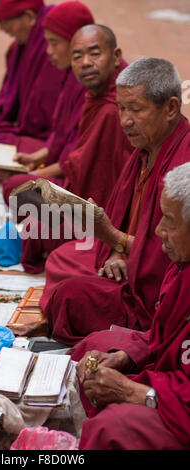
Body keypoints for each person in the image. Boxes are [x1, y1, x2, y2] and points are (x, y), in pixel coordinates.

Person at [36, 57, 190, 346]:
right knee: (62, 258)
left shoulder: (184, 164)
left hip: (154, 293)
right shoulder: (146, 148)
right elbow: (125, 214)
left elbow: (173, 256)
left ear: (170, 108)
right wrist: (115, 253)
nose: (125, 121)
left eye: (135, 109)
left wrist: (114, 238)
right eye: (121, 108)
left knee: (69, 296)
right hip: (128, 260)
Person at [71, 163, 190, 450]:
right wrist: (127, 355)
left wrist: (136, 392)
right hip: (172, 381)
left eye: (170, 221)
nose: (159, 230)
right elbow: (164, 334)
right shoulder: (182, 267)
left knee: (112, 428)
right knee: (96, 348)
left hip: (181, 409)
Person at [9, 24, 133, 276]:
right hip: (83, 197)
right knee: (24, 198)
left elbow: (105, 183)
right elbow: (75, 150)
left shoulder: (114, 109)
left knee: (38, 232)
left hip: (107, 215)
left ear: (116, 56)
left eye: (95, 54)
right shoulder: (95, 95)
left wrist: (116, 246)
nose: (86, 63)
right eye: (78, 56)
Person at [0, 1, 94, 185]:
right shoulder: (71, 74)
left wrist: (31, 176)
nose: (48, 52)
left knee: (14, 186)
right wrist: (37, 159)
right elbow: (63, 132)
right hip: (59, 156)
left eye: (53, 43)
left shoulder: (93, 83)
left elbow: (77, 159)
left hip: (83, 182)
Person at [0, 0, 66, 152]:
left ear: (29, 17)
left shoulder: (52, 47)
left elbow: (49, 110)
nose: (2, 29)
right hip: (46, 138)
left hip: (56, 140)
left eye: (5, 22)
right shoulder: (20, 46)